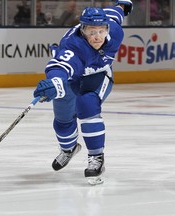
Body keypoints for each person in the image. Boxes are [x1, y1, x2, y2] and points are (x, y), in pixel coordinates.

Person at [33, 1, 133, 185]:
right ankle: (69, 149)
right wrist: (55, 82)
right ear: (82, 29)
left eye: (101, 31)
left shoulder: (115, 31)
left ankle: (96, 158)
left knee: (86, 104)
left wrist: (122, 6)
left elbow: (115, 12)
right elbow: (60, 66)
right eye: (91, 32)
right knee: (63, 118)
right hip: (74, 77)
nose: (97, 37)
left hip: (99, 76)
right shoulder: (74, 45)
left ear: (107, 28)